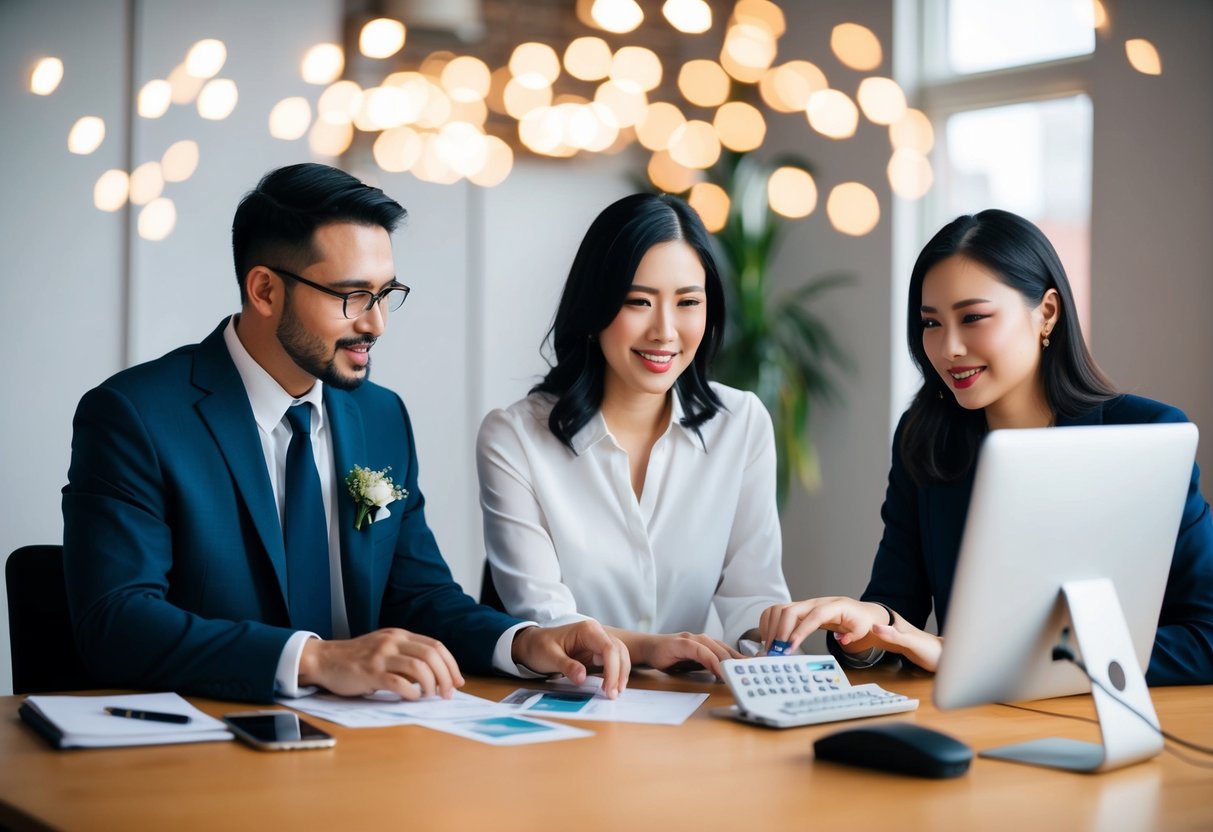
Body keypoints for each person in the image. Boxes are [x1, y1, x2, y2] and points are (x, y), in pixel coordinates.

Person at [62, 163, 632, 704]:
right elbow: (116, 621)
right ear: (264, 290)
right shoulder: (135, 416)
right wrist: (314, 660)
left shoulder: (382, 417)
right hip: (209, 749)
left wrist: (524, 642)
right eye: (351, 296)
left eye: (385, 294)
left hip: (368, 746)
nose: (376, 322)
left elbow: (419, 596)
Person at [758, 209, 1213, 685]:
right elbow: (897, 610)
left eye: (973, 317)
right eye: (931, 323)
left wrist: (986, 657)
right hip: (978, 729)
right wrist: (867, 627)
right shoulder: (926, 439)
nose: (948, 348)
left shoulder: (1145, 436)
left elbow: (1204, 638)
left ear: (1048, 313)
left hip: (1119, 724)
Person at [476, 192, 792, 677]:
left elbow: (753, 596)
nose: (665, 331)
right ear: (595, 306)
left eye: (688, 302)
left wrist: (769, 644)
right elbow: (545, 620)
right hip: (567, 708)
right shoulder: (514, 437)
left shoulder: (741, 423)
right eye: (638, 302)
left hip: (690, 711)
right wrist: (652, 648)